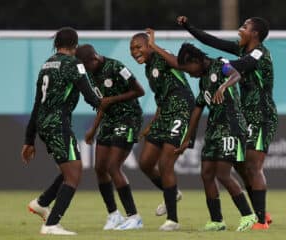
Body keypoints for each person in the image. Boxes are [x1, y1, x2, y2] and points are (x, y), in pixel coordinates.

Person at [177, 16, 277, 229]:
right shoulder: (241, 50)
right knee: (242, 167)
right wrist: (189, 26)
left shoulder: (260, 52)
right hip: (246, 115)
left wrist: (216, 65)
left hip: (263, 115)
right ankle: (261, 213)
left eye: (245, 27)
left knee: (253, 167)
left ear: (255, 34)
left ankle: (260, 220)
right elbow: (211, 41)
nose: (240, 30)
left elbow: (244, 65)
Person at [21, 27, 110, 235]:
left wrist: (29, 139)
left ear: (57, 44)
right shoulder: (73, 63)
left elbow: (37, 104)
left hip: (44, 123)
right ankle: (51, 224)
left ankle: (42, 203)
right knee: (75, 173)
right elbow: (88, 94)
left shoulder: (46, 65)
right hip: (58, 124)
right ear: (75, 45)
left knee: (70, 169)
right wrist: (104, 105)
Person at [175, 42, 257, 231]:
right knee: (206, 174)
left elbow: (236, 73)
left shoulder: (221, 65)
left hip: (231, 126)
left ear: (196, 60)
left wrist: (223, 87)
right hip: (214, 129)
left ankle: (248, 216)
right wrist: (188, 138)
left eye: (189, 70)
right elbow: (197, 109)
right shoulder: (202, 80)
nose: (190, 74)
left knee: (222, 174)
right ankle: (217, 221)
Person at [130, 29, 195, 231]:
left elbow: (180, 65)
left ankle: (172, 220)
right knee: (146, 163)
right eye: (132, 49)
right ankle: (172, 193)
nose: (134, 52)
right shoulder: (149, 68)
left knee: (165, 163)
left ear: (149, 46)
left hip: (181, 111)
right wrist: (152, 122)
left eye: (138, 47)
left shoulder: (161, 54)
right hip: (164, 113)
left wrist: (155, 46)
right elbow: (162, 96)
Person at [75, 44, 145, 230]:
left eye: (86, 65)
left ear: (94, 58)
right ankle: (114, 214)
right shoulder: (89, 73)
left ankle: (134, 217)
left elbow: (140, 91)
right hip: (109, 120)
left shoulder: (116, 67)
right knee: (100, 168)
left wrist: (112, 100)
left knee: (113, 167)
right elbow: (102, 104)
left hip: (128, 118)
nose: (85, 69)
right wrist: (93, 128)